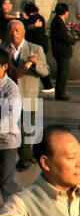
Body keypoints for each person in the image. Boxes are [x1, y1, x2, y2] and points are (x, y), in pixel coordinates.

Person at [2, 20, 50, 166]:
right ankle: (23, 156)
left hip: (28, 93)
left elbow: (46, 71)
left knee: (28, 127)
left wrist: (35, 63)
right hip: (8, 95)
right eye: (11, 30)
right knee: (12, 125)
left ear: (23, 32)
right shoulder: (3, 48)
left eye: (17, 30)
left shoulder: (35, 49)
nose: (14, 33)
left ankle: (27, 158)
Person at [0, 52, 21, 199]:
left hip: (7, 142)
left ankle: (20, 208)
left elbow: (9, 120)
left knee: (6, 183)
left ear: (4, 67)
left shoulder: (11, 89)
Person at [50, 3, 75, 101]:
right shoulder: (58, 22)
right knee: (63, 73)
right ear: (66, 12)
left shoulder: (57, 21)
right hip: (62, 51)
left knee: (62, 72)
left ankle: (60, 92)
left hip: (59, 51)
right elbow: (64, 37)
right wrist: (72, 40)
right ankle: (60, 93)